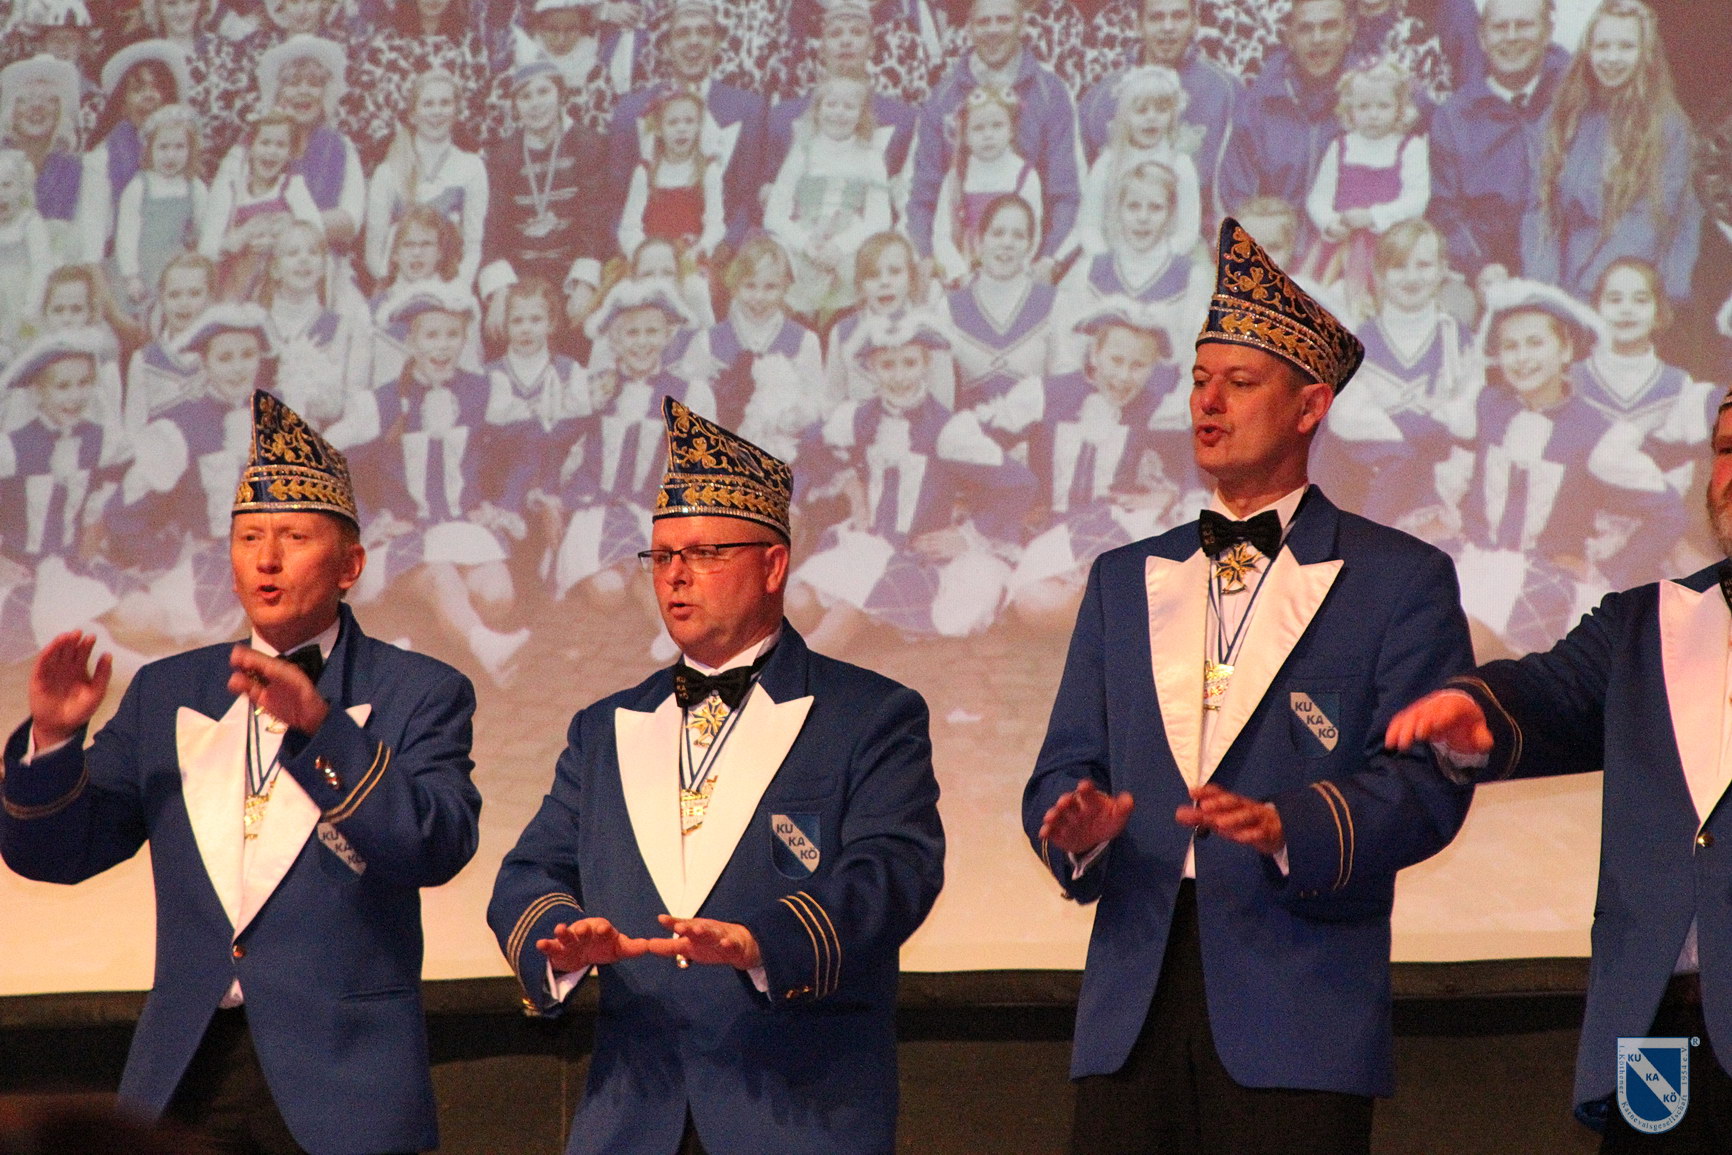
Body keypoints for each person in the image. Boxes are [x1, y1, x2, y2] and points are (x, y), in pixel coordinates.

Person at [1022, 215, 1475, 1154]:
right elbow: (1064, 764)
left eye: (1239, 381)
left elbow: (1427, 786)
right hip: (1131, 1009)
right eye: (1198, 379)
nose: (1207, 401)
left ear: (1310, 407)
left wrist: (1287, 824)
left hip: (1300, 1005)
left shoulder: (1400, 579)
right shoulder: (1122, 578)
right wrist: (1076, 825)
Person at [0, 388, 482, 1155]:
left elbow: (435, 845)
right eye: (249, 536)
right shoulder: (167, 691)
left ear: (351, 564)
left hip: (344, 1080)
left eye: (294, 536)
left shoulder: (419, 690)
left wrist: (320, 730)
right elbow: (56, 853)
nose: (266, 557)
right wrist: (54, 739)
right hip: (186, 1076)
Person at [488, 395, 944, 1154]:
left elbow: (895, 871)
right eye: (662, 556)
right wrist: (559, 938)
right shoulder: (603, 728)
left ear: (773, 566)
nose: (676, 577)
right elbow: (531, 870)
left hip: (797, 1116)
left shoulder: (870, 714)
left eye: (704, 555)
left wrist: (763, 942)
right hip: (631, 1117)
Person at [1384, 391, 1732, 1148]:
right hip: (1659, 1025)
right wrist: (1475, 706)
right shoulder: (1648, 622)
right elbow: (1550, 688)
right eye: (1727, 451)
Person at [1521, 0, 1702, 303]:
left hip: (1627, 284)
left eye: (1626, 46)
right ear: (1587, 51)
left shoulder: (1667, 128)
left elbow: (1647, 224)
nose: (1612, 58)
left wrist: (1591, 294)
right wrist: (1545, 291)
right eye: (1602, 46)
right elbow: (1540, 210)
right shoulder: (1561, 117)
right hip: (1562, 279)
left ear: (1645, 52)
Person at [907, 0, 1082, 279]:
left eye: (1003, 20)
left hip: (1031, 259)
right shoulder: (943, 96)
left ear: (1021, 25)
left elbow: (1066, 193)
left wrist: (1048, 259)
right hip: (956, 263)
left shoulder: (1050, 92)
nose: (993, 30)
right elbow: (922, 193)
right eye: (983, 22)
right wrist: (928, 256)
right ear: (969, 28)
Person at [1427, 0, 1569, 286]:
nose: (1511, 36)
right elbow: (1445, 211)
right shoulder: (1455, 117)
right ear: (1482, 37)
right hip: (1487, 274)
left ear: (1548, 31)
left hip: (1568, 268)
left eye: (1524, 25)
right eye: (1500, 27)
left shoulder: (1574, 99)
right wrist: (1480, 267)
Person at [1217, 0, 1357, 248]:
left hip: (1348, 255)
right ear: (1289, 37)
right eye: (1305, 28)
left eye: (1329, 26)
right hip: (1273, 255)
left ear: (1349, 30)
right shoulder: (1257, 108)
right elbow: (1237, 202)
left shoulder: (1377, 98)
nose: (1317, 39)